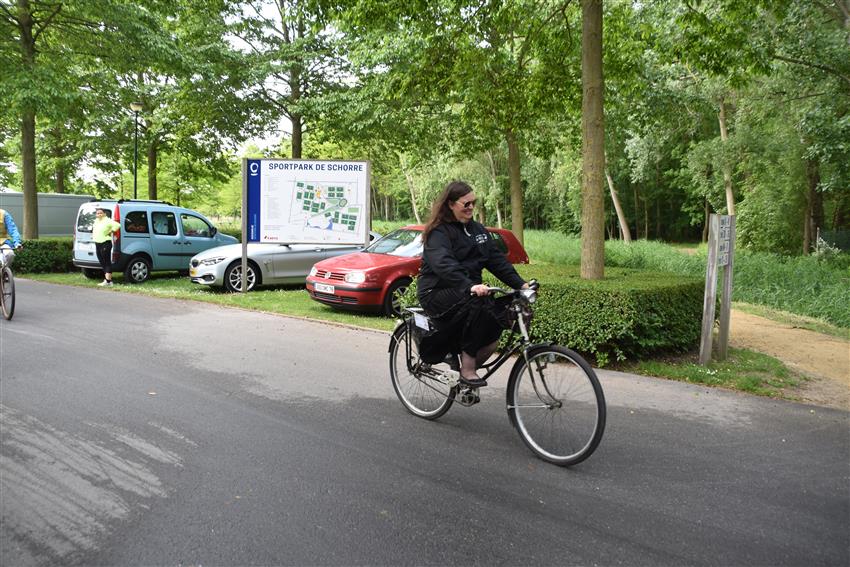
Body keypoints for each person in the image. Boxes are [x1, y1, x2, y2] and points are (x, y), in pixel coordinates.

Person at [417, 180, 529, 387]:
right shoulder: (439, 232)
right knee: (477, 302)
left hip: (468, 292)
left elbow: (496, 261)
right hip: (436, 292)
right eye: (466, 203)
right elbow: (444, 264)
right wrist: (469, 285)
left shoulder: (478, 230)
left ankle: (462, 377)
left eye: (473, 203)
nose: (471, 207)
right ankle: (467, 368)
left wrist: (521, 285)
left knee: (497, 320)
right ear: (451, 204)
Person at [92, 208, 120, 286]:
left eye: (100, 213)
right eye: (97, 213)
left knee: (106, 262)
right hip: (97, 243)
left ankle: (108, 281)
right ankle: (108, 281)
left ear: (104, 214)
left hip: (105, 243)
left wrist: (111, 231)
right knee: (102, 261)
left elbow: (117, 225)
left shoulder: (107, 220)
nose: (99, 214)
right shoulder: (96, 221)